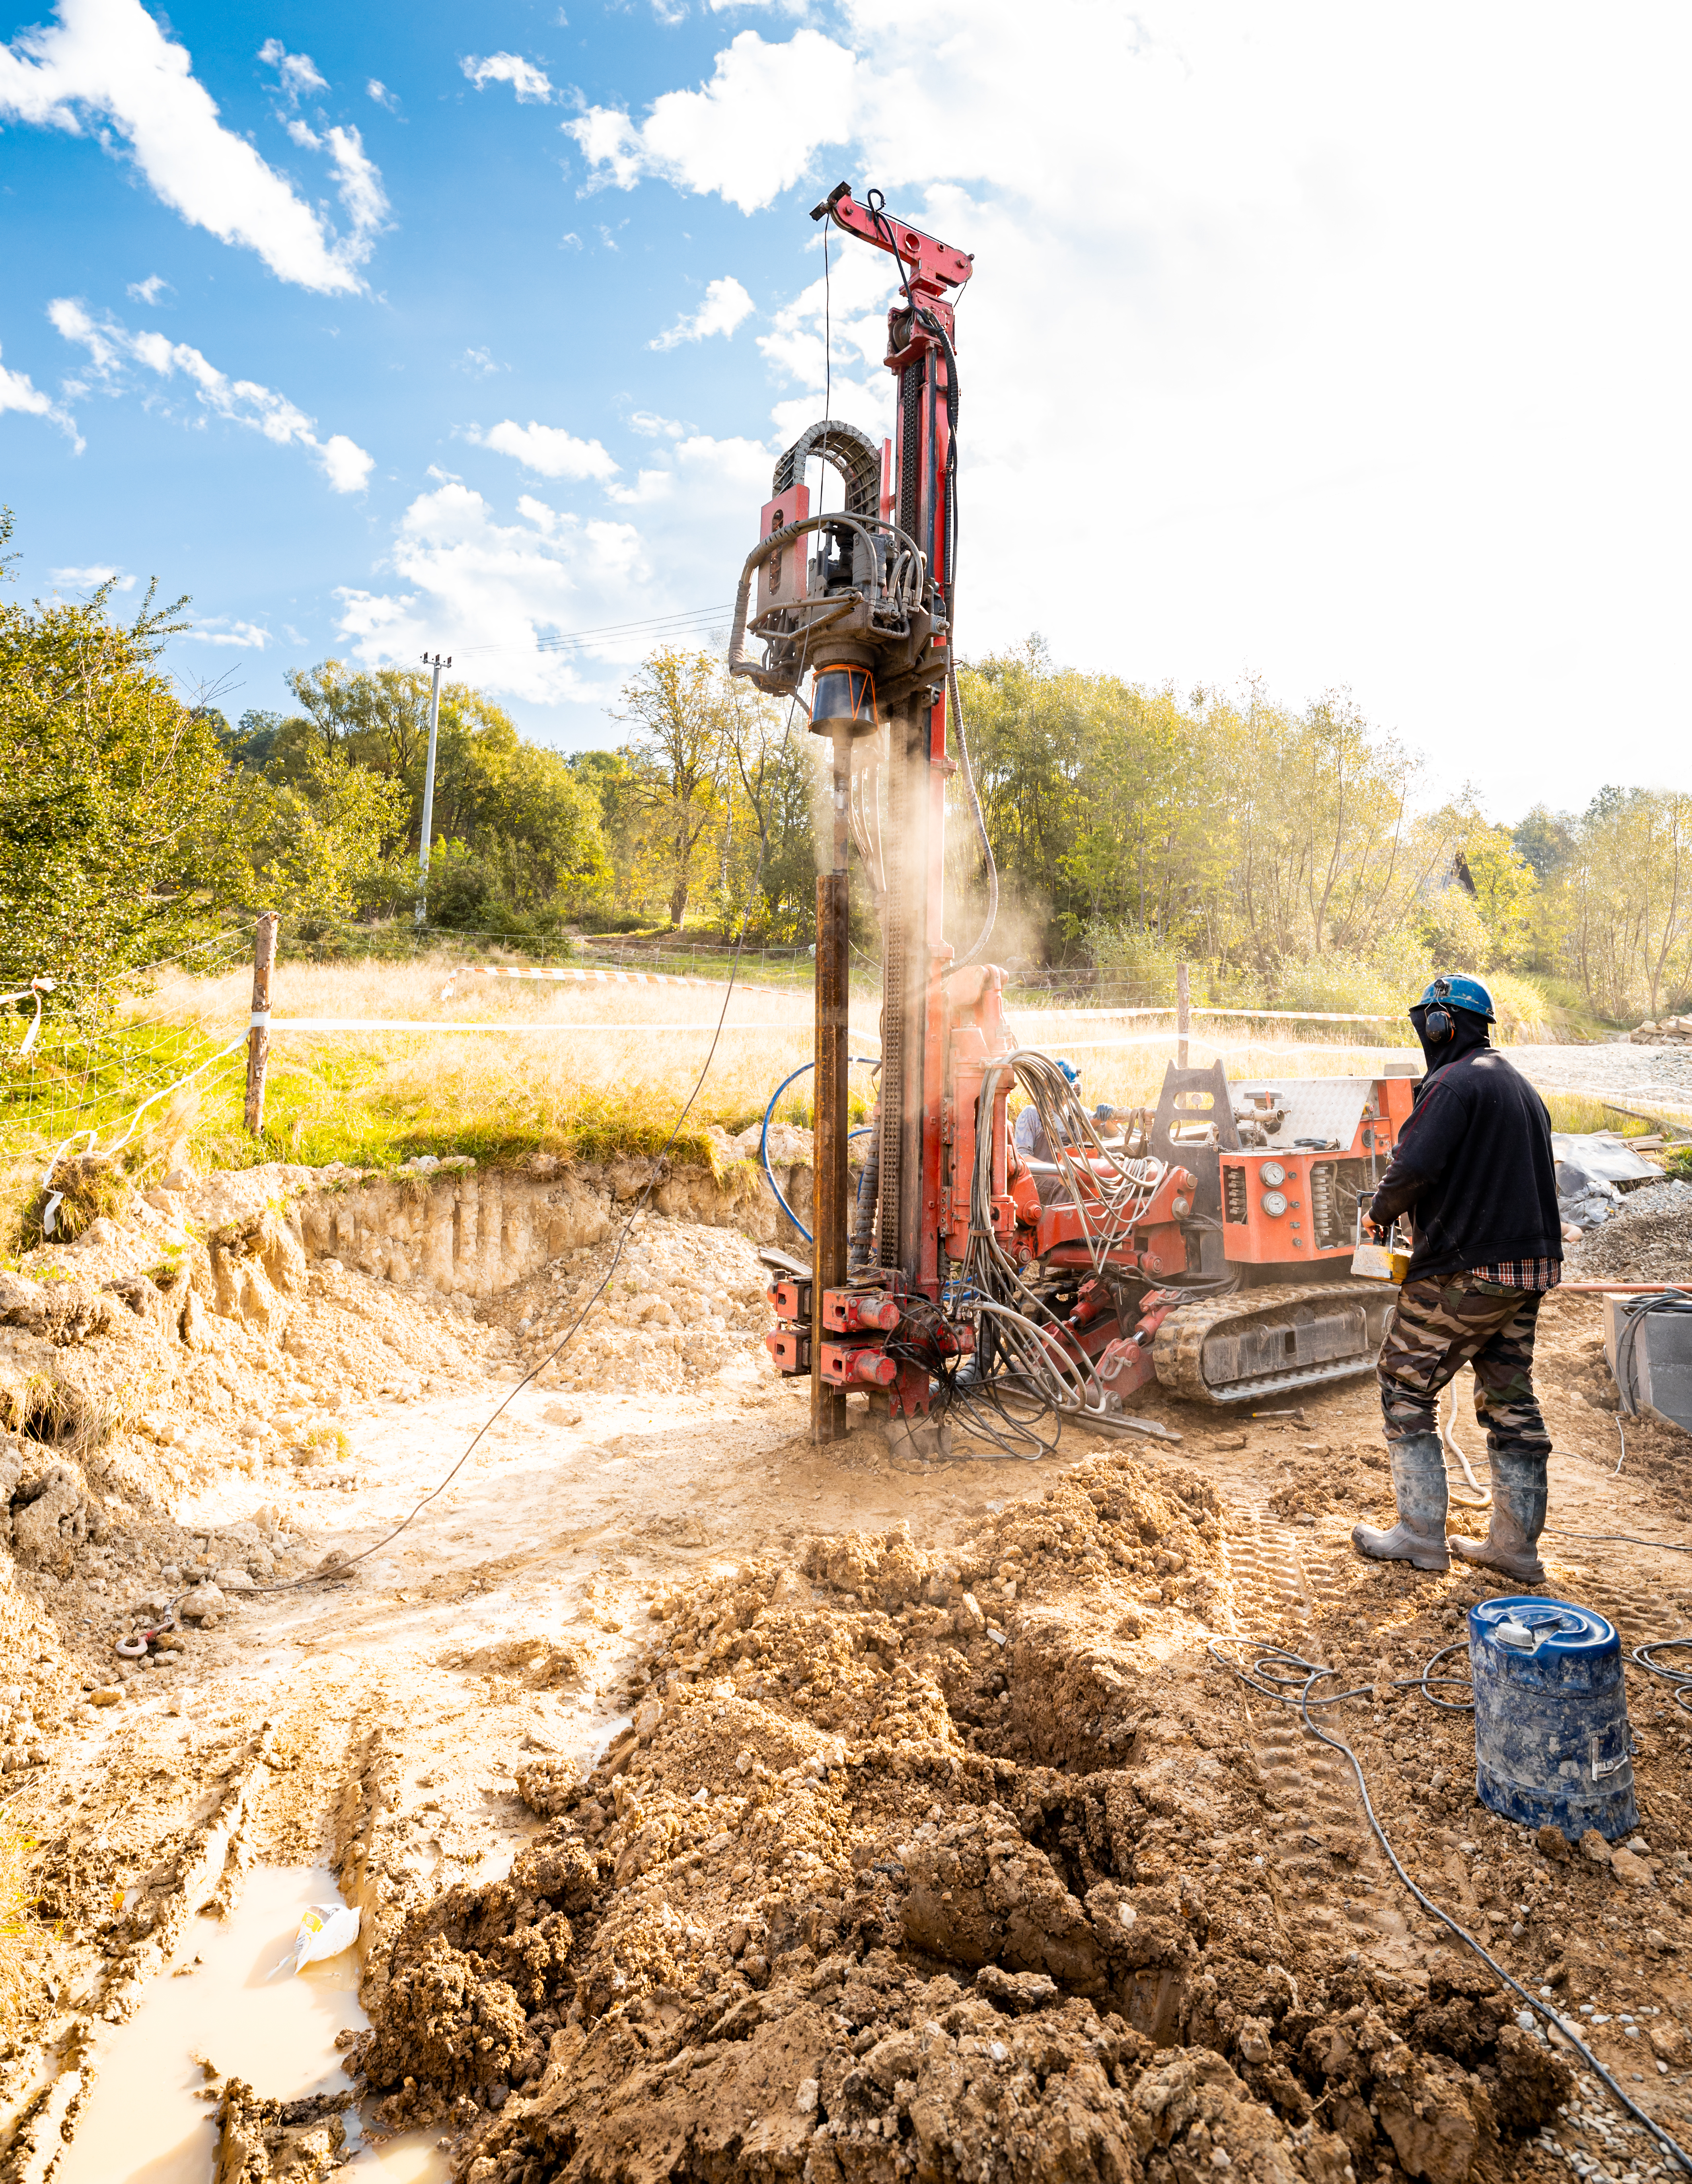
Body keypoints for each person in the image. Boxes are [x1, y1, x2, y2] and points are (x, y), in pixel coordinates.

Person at [1352, 974, 1563, 1581]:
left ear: (1440, 1024)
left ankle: (1420, 1537)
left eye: (1426, 1021)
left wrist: (1377, 1215)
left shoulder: (1450, 1084)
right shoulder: (1517, 1086)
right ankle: (1514, 1550)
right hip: (1526, 1268)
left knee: (1403, 1383)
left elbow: (1412, 1166)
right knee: (1510, 1401)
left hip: (1466, 1268)